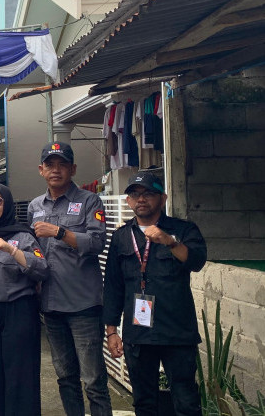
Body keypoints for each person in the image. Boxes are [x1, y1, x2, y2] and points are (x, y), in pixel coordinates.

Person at [103, 173, 206, 416]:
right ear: (128, 201)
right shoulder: (121, 236)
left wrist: (169, 242)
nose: (141, 199)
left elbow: (197, 261)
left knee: (186, 400)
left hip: (177, 331)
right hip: (139, 333)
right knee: (144, 402)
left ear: (163, 198)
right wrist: (111, 331)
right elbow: (113, 286)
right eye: (135, 194)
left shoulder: (184, 229)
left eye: (148, 193)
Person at [27, 142, 112, 416]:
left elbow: (98, 242)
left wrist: (60, 232)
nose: (56, 170)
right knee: (65, 378)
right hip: (51, 306)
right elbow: (33, 251)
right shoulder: (34, 206)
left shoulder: (90, 201)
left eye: (62, 164)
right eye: (50, 165)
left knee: (94, 380)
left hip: (83, 306)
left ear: (73, 169)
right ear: (41, 170)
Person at [0, 182, 48, 416]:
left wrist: (12, 250)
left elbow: (41, 269)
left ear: (7, 204)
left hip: (18, 311)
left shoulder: (23, 235)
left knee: (20, 376)